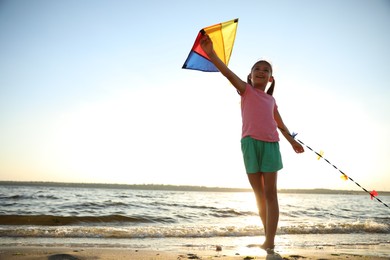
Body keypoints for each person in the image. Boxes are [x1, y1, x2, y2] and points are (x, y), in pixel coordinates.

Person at [200, 34, 304, 257]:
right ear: (250, 75)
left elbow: (280, 124)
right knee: (258, 194)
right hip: (249, 144)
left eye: (266, 70)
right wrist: (211, 54)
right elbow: (227, 73)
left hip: (270, 146)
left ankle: (270, 240)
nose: (261, 71)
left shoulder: (272, 100)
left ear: (271, 79)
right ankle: (268, 237)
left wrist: (292, 141)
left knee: (270, 194)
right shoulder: (245, 90)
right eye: (257, 68)